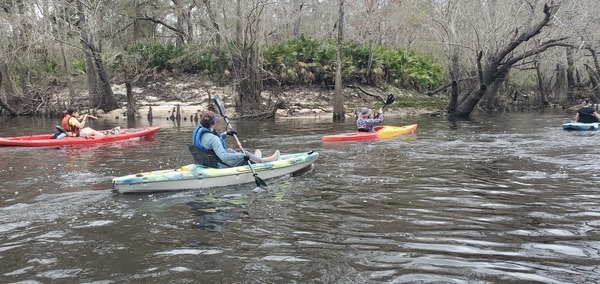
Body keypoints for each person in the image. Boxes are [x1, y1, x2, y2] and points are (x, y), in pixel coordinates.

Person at [192, 110, 280, 167]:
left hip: (208, 162)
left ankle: (256, 159)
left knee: (229, 150)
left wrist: (226, 133)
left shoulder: (203, 134)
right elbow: (224, 157)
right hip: (219, 165)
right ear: (213, 123)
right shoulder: (213, 139)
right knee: (245, 154)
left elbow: (211, 143)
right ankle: (264, 162)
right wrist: (242, 156)